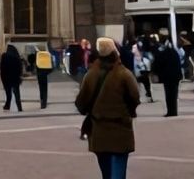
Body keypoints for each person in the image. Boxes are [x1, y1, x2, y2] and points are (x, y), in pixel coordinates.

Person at [75, 37, 139, 179]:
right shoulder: (124, 74)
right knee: (118, 171)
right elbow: (135, 97)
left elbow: (81, 102)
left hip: (99, 129)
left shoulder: (90, 75)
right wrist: (130, 111)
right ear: (115, 52)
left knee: (106, 172)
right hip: (120, 128)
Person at [151, 40, 183, 117]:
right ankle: (174, 111)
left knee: (168, 95)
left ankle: (170, 111)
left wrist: (156, 73)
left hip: (167, 77)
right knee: (174, 94)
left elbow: (157, 64)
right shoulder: (175, 53)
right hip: (175, 77)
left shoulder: (162, 54)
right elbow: (178, 65)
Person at [0, 44, 24, 112]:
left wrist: (2, 77)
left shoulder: (4, 56)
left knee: (8, 93)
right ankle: (19, 107)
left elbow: (2, 68)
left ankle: (7, 105)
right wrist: (20, 76)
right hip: (15, 78)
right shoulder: (17, 57)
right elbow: (20, 68)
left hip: (6, 77)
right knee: (17, 94)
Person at [33, 44, 54, 108]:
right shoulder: (48, 55)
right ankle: (44, 102)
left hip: (39, 74)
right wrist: (47, 72)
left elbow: (35, 66)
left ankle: (42, 101)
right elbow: (51, 67)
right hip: (45, 75)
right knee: (45, 89)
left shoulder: (38, 56)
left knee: (41, 89)